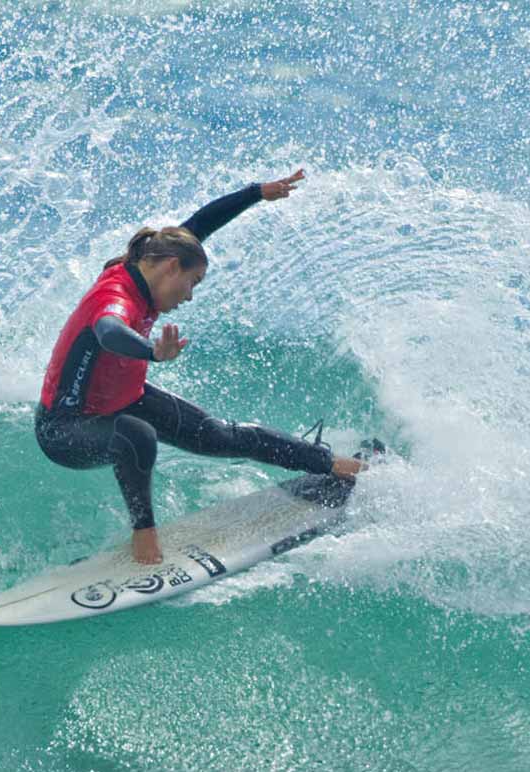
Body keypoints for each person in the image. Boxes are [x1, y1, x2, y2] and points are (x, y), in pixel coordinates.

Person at [35, 169, 365, 564]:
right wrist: (151, 353)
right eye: (193, 282)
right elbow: (108, 331)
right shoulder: (115, 295)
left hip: (122, 402)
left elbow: (198, 226)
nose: (189, 296)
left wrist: (256, 193)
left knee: (222, 435)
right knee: (137, 435)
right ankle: (145, 540)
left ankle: (333, 464)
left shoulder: (148, 264)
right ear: (171, 267)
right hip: (66, 429)